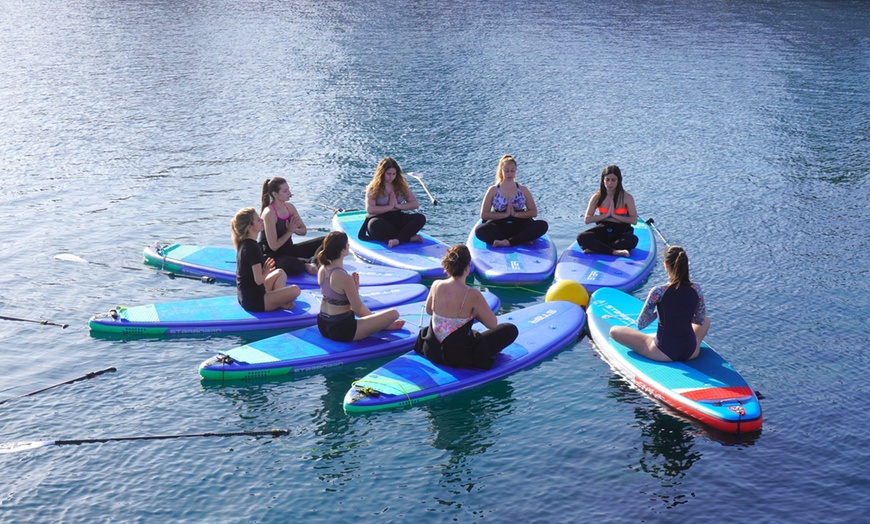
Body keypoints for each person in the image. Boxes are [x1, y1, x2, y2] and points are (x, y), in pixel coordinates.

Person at [414, 245, 519, 369]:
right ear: (467, 268)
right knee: (509, 329)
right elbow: (492, 324)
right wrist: (474, 314)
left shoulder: (436, 285)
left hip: (431, 350)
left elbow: (429, 310)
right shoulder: (472, 294)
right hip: (459, 357)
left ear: (447, 266)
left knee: (468, 334)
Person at [610, 245, 711, 362]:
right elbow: (700, 320)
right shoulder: (696, 288)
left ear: (666, 265)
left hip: (662, 352)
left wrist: (659, 313)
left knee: (614, 331)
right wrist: (681, 314)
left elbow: (642, 324)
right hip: (691, 351)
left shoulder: (658, 292)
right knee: (706, 320)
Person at [316, 231, 405, 341]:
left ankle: (379, 323)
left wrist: (353, 290)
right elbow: (357, 309)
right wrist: (355, 290)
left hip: (322, 324)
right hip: (342, 330)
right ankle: (383, 325)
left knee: (371, 316)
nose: (349, 245)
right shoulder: (344, 277)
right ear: (343, 250)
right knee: (394, 314)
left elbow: (336, 298)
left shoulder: (322, 269)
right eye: (347, 244)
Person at [231, 207, 302, 312]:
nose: (262, 220)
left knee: (280, 273)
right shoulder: (252, 248)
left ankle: (278, 301)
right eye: (258, 220)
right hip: (255, 302)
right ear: (250, 227)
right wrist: (265, 271)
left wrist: (265, 271)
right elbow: (259, 280)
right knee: (296, 290)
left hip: (246, 297)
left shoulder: (245, 243)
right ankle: (278, 302)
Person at [474, 154, 549, 248]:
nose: (509, 174)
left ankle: (508, 242)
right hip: (499, 224)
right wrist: (505, 214)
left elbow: (533, 212)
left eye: (512, 171)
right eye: (506, 171)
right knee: (480, 230)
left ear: (516, 171)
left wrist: (515, 214)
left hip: (520, 223)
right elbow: (484, 215)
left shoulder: (523, 189)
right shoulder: (493, 190)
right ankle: (520, 239)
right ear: (501, 171)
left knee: (542, 225)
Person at [259, 177, 323, 276]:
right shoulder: (269, 213)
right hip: (273, 256)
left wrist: (295, 230)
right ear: (275, 194)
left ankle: (312, 261)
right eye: (285, 191)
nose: (289, 193)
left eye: (288, 189)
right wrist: (289, 231)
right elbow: (274, 246)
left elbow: (303, 230)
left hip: (289, 250)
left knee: (327, 240)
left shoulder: (290, 207)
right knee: (289, 265)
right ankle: (304, 263)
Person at [360, 157, 426, 248]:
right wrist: (389, 206)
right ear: (382, 173)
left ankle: (398, 240)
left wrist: (398, 206)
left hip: (397, 217)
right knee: (374, 225)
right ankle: (408, 238)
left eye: (394, 174)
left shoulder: (401, 186)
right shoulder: (374, 188)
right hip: (381, 218)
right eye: (388, 174)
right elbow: (370, 209)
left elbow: (414, 204)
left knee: (420, 218)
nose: (391, 177)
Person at [577, 165, 639, 257]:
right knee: (581, 237)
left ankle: (597, 249)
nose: (610, 183)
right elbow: (587, 219)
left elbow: (634, 220)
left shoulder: (627, 197)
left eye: (613, 180)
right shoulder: (597, 197)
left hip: (621, 231)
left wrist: (614, 215)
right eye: (607, 180)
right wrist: (605, 216)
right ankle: (614, 251)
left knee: (633, 240)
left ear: (618, 180)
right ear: (603, 180)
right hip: (604, 229)